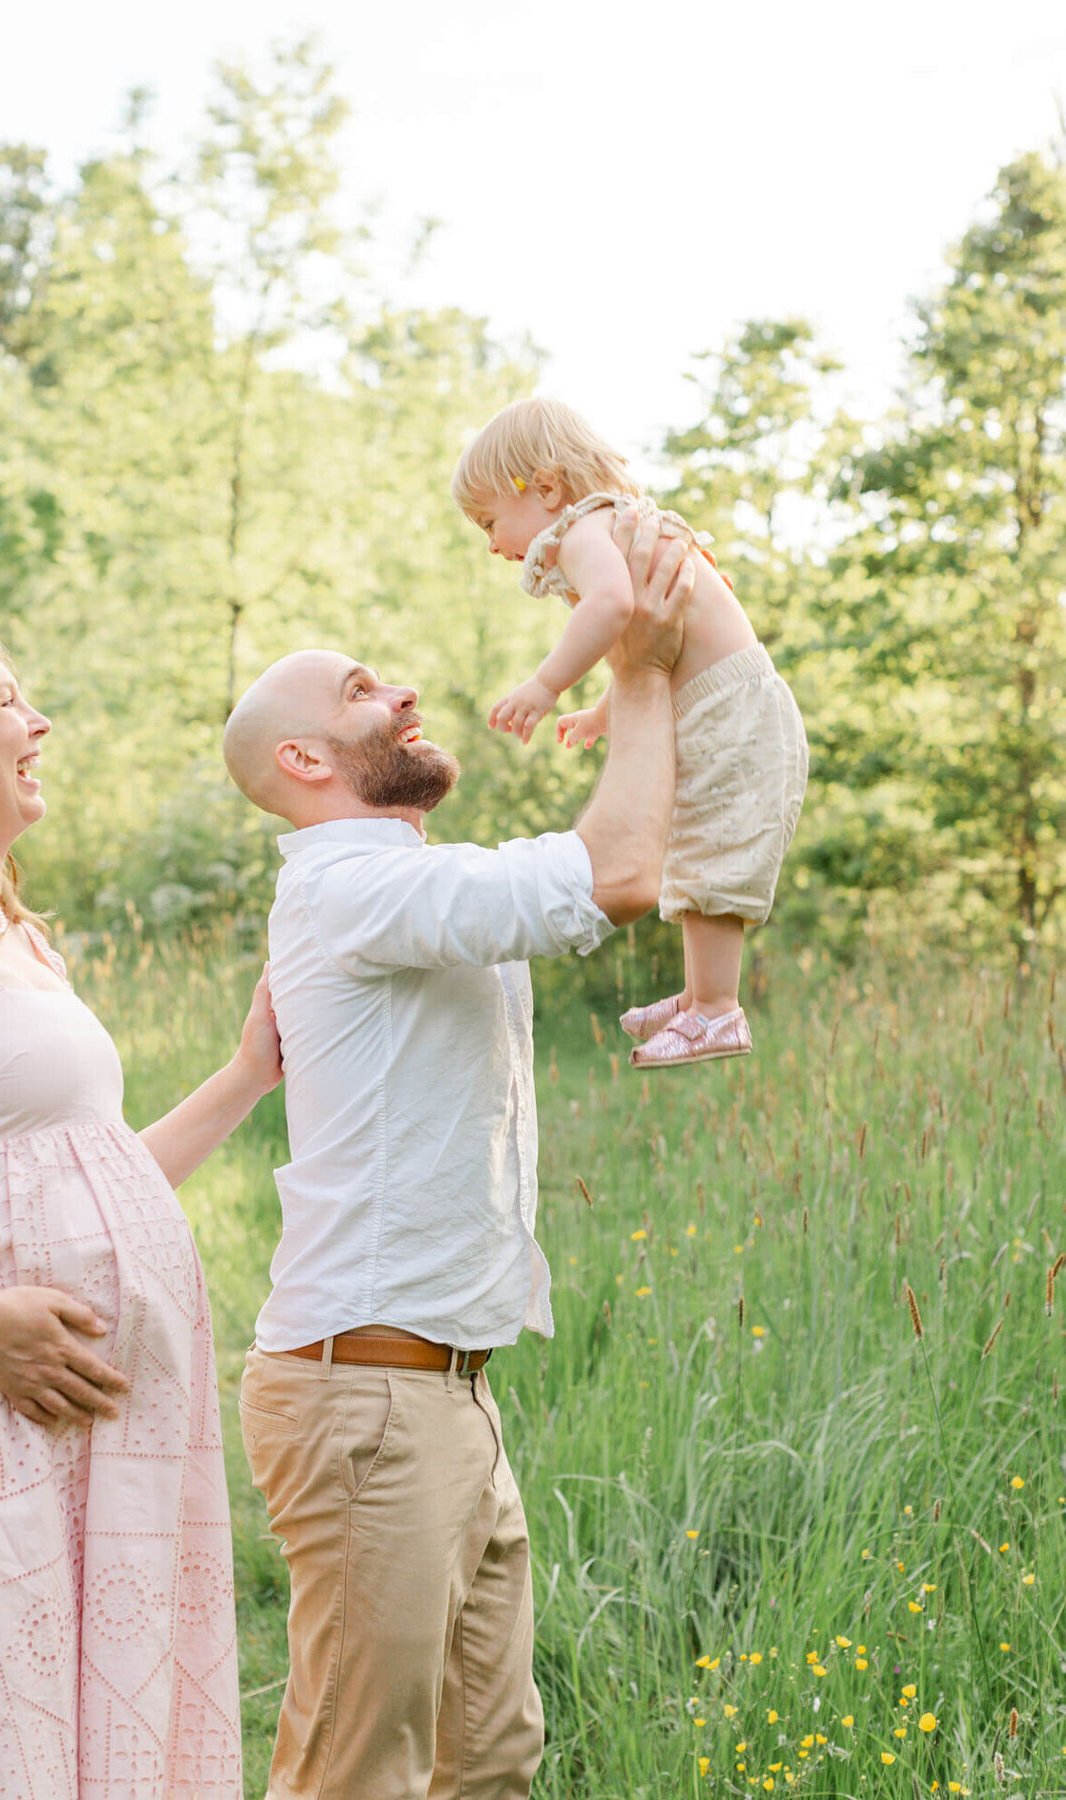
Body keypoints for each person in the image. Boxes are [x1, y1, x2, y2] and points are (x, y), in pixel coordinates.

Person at [222, 512, 691, 1800]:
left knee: (488, 1762)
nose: (405, 687)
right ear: (309, 757)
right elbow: (621, 872)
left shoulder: (404, 882)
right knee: (358, 1772)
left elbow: (618, 859)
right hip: (366, 1397)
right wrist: (638, 666)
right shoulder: (349, 889)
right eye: (364, 687)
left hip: (448, 1392)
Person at [0, 626, 282, 1798]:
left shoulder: (13, 942)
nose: (38, 723)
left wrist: (244, 1076)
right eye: (8, 702)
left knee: (78, 1732)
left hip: (83, 1427)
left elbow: (91, 1173)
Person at [451, 395, 809, 1069]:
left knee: (713, 848)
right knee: (692, 842)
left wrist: (546, 684)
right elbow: (651, 641)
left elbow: (616, 607)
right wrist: (605, 711)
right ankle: (702, 995)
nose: (493, 544)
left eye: (491, 520)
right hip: (719, 700)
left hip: (731, 707)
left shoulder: (586, 531)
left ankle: (716, 1011)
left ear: (547, 488)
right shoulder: (613, 527)